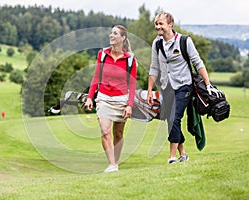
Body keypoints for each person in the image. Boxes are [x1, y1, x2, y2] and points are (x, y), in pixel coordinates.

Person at [146, 12, 222, 164]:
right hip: (167, 87)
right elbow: (154, 67)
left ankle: (171, 157)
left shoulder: (184, 41)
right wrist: (149, 90)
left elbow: (198, 63)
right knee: (170, 120)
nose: (158, 27)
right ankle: (183, 155)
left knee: (175, 117)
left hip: (184, 86)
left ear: (170, 24)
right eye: (156, 24)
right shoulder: (157, 43)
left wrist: (207, 85)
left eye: (161, 24)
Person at [85, 25, 137, 172]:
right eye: (111, 33)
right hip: (103, 98)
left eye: (115, 33)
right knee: (104, 130)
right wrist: (90, 97)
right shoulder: (102, 54)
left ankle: (116, 163)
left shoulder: (130, 59)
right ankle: (112, 164)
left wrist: (129, 105)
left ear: (123, 38)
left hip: (121, 99)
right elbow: (96, 77)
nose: (111, 35)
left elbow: (132, 84)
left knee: (118, 134)